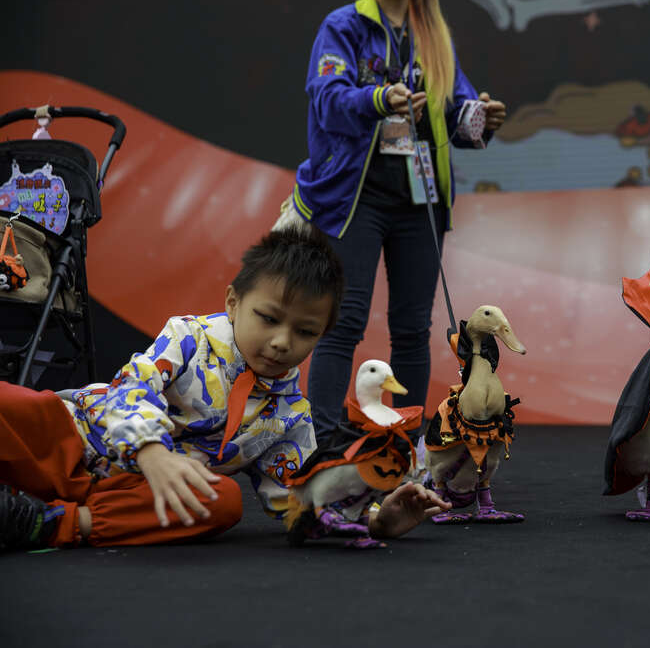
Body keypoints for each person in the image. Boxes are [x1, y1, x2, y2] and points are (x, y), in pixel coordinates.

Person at [0, 228, 449, 551]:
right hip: (67, 441)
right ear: (233, 303)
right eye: (268, 319)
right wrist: (152, 452)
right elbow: (129, 388)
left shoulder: (291, 418)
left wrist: (375, 520)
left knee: (221, 501)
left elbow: (299, 500)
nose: (282, 342)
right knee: (18, 405)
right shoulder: (187, 337)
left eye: (305, 332)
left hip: (129, 496)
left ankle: (42, 523)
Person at [285, 0, 507, 444]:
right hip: (354, 197)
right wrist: (380, 98)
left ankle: (404, 446)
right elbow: (326, 99)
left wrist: (481, 119)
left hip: (420, 199)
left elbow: (455, 111)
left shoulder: (434, 34)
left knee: (412, 329)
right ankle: (323, 444)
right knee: (342, 322)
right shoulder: (343, 26)